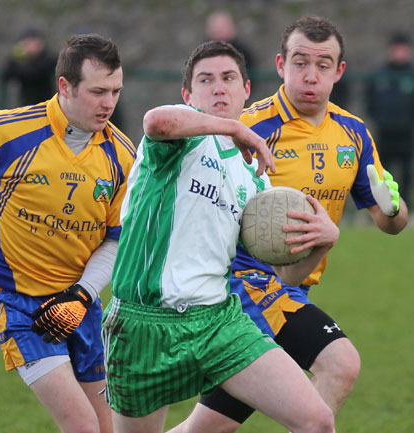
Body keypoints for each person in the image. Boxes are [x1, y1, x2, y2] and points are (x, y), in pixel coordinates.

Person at [168, 16, 408, 433]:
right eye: (300, 63)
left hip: (295, 285)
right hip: (245, 284)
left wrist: (393, 208)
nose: (310, 76)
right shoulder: (249, 127)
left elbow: (392, 225)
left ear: (340, 72)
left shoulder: (353, 133)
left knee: (206, 428)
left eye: (322, 65)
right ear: (281, 65)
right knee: (340, 364)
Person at [101, 40, 340, 433]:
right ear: (187, 95)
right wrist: (233, 127)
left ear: (246, 90)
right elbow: (155, 122)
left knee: (317, 421)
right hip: (143, 325)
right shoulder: (178, 135)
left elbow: (288, 278)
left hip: (218, 321)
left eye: (228, 79)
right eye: (205, 80)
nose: (218, 88)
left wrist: (321, 243)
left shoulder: (255, 176)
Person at [0, 33, 135, 433]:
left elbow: (116, 239)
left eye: (116, 91)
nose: (109, 103)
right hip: (17, 304)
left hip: (79, 306)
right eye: (98, 91)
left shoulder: (123, 157)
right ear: (65, 86)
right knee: (82, 426)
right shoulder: (5, 132)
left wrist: (81, 295)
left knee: (105, 428)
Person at [365, 31, 414, 207]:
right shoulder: (379, 73)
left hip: (407, 133)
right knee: (383, 172)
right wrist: (379, 119)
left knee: (407, 173)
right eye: (396, 49)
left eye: (403, 49)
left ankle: (405, 208)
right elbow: (369, 100)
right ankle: (383, 207)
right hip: (384, 132)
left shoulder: (411, 72)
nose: (399, 53)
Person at [0, 27, 57, 106]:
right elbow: (5, 74)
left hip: (46, 105)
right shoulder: (21, 60)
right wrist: (16, 56)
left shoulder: (49, 58)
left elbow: (34, 73)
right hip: (25, 105)